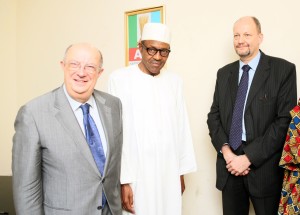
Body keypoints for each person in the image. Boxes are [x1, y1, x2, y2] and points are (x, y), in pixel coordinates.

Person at [12, 43, 123, 215]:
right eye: (74, 64)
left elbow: (111, 169)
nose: (81, 72)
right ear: (62, 66)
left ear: (100, 73)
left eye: (90, 67)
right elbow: (26, 190)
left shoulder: (113, 105)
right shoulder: (33, 114)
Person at [207, 16, 297, 215]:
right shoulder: (224, 74)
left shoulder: (283, 70)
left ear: (260, 37)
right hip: (229, 169)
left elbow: (284, 122)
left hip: (264, 171)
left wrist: (248, 158)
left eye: (247, 34)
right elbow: (213, 116)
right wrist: (228, 154)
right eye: (236, 35)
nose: (240, 40)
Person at [108, 23, 197, 215]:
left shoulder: (175, 81)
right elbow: (115, 134)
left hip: (168, 172)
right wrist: (124, 180)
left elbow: (181, 128)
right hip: (137, 174)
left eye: (164, 51)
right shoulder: (119, 79)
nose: (157, 57)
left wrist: (180, 173)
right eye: (151, 49)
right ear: (140, 47)